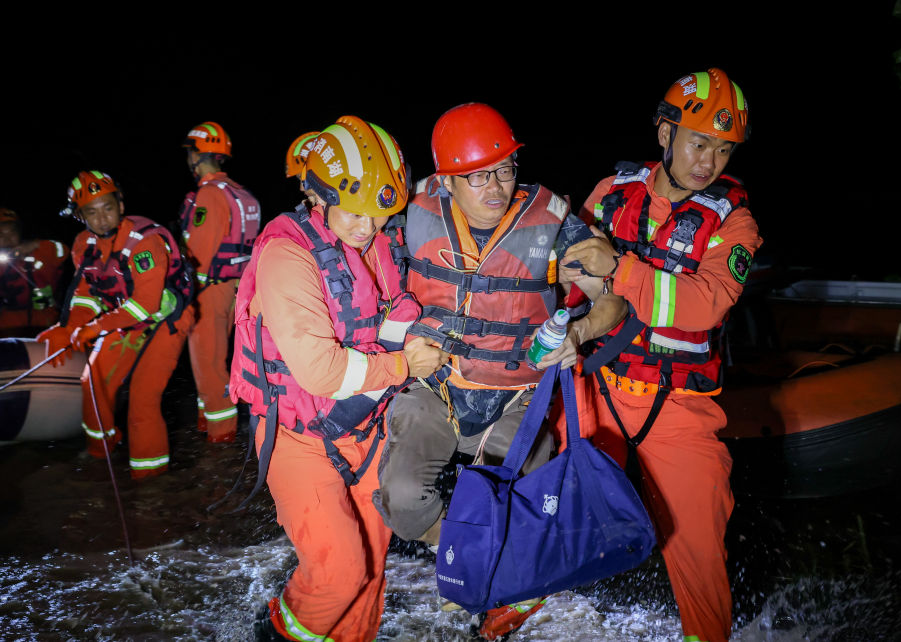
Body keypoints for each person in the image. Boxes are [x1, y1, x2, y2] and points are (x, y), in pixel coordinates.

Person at [376, 102, 626, 640]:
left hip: (517, 397)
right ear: (446, 180)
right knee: (400, 499)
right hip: (436, 389)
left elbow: (614, 301)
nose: (496, 186)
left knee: (522, 511)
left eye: (505, 169)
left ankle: (512, 587)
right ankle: (465, 552)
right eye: (478, 176)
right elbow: (356, 255)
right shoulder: (411, 211)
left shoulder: (551, 219)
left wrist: (579, 331)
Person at [229, 116, 448, 642]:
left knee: (370, 574)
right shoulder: (287, 254)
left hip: (367, 432)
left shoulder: (373, 239)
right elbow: (321, 370)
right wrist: (405, 364)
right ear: (319, 199)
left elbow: (399, 306)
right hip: (297, 438)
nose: (369, 228)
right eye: (356, 213)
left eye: (379, 215)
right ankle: (275, 631)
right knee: (340, 573)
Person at [562, 68, 762, 642]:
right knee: (554, 511)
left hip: (677, 408)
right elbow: (571, 278)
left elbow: (702, 305)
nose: (709, 162)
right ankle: (505, 614)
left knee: (697, 543)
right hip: (597, 388)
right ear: (664, 133)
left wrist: (618, 269)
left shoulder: (736, 224)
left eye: (723, 149)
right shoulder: (611, 192)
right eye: (699, 142)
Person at [36, 171, 194, 479]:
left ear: (120, 204)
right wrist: (69, 328)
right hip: (124, 320)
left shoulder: (145, 242)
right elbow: (86, 295)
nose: (102, 218)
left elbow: (146, 304)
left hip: (166, 321)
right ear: (80, 216)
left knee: (143, 398)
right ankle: (100, 453)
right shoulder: (83, 245)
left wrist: (95, 328)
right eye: (91, 212)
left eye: (107, 207)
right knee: (92, 380)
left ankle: (150, 481)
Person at [179, 122, 260, 442]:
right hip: (236, 288)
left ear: (198, 155)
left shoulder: (209, 195)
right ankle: (207, 421)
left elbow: (200, 251)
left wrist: (185, 293)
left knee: (208, 365)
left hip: (209, 290)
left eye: (190, 153)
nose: (188, 160)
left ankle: (220, 437)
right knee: (216, 360)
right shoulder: (243, 194)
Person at [0, 208, 69, 337]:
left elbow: (64, 251)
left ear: (19, 233)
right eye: (0, 234)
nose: (7, 238)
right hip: (5, 320)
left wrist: (37, 244)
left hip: (44, 318)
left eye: (12, 232)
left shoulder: (40, 251)